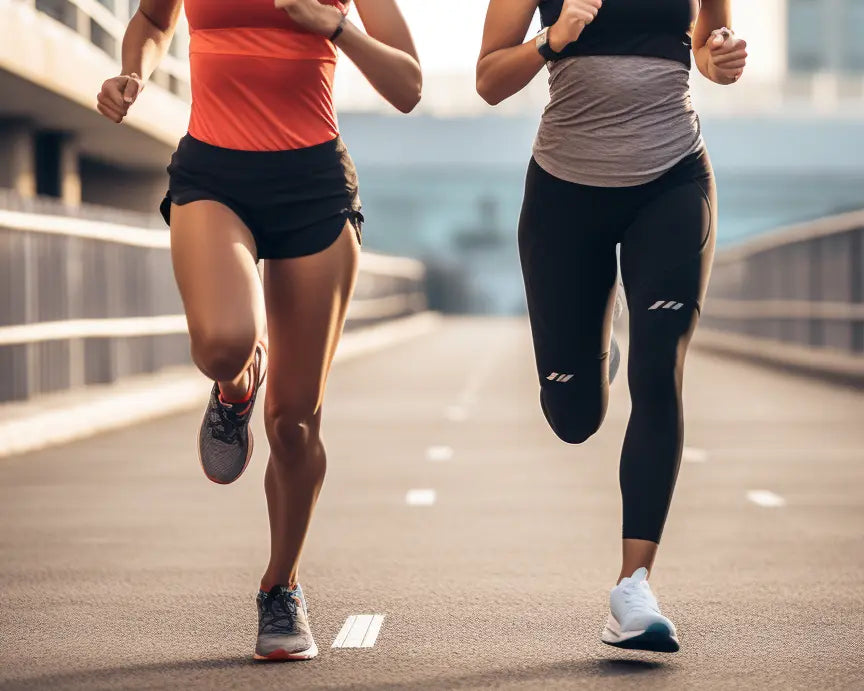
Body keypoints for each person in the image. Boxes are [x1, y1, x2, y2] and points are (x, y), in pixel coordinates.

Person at [96, 0, 420, 661]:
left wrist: (335, 26)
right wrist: (133, 70)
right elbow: (155, 23)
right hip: (214, 173)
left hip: (314, 184)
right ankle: (235, 385)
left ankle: (282, 587)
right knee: (222, 342)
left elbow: (409, 86)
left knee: (295, 422)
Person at [477, 0, 747, 652]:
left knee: (660, 371)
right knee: (573, 415)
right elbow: (488, 79)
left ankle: (634, 587)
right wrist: (554, 38)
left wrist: (722, 58)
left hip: (673, 178)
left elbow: (707, 44)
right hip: (566, 193)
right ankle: (593, 357)